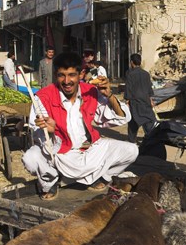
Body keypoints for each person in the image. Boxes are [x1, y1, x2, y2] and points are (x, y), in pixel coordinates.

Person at [22, 51, 138, 200]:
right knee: (31, 158)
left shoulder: (90, 91)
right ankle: (50, 182)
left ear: (81, 74)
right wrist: (50, 131)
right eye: (61, 75)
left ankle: (101, 176)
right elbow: (42, 140)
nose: (66, 81)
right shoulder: (42, 98)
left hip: (88, 149)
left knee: (131, 150)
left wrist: (109, 95)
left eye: (71, 75)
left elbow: (119, 118)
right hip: (60, 152)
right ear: (56, 75)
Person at [124, 53, 157, 144]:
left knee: (133, 121)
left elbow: (128, 88)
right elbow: (149, 88)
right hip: (145, 100)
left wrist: (127, 100)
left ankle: (131, 140)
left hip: (135, 101)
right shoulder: (146, 74)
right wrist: (151, 100)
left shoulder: (130, 73)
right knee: (148, 120)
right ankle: (150, 138)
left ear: (131, 62)